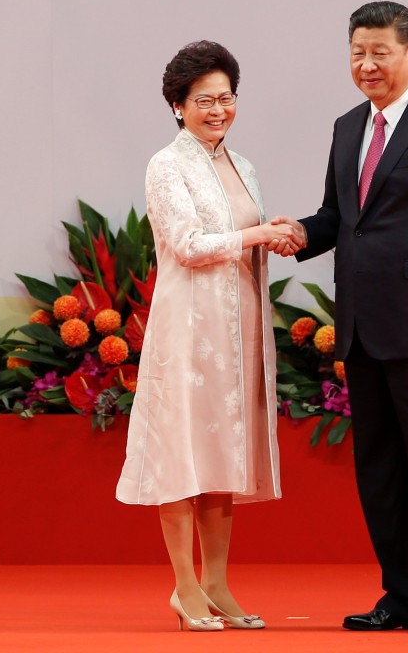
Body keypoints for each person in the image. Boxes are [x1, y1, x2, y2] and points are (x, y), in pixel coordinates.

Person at [271, 1, 408, 633]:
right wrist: (297, 235)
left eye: (380, 53)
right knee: (381, 471)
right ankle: (403, 593)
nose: (367, 65)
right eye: (357, 53)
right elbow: (341, 219)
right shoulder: (347, 127)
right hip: (365, 329)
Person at [116, 40, 295, 632]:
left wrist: (280, 235)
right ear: (177, 105)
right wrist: (256, 235)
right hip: (189, 332)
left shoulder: (243, 166)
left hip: (238, 329)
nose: (217, 110)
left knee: (222, 456)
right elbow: (188, 247)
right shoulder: (166, 165)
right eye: (202, 100)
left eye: (225, 98)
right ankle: (184, 586)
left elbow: (248, 235)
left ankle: (217, 582)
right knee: (181, 454)